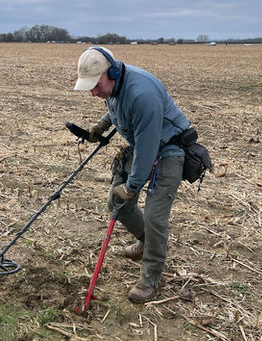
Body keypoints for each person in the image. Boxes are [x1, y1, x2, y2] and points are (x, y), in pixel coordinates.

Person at [73, 46, 190, 303]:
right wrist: (103, 123)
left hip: (169, 149)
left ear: (111, 72)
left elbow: (148, 150)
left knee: (154, 216)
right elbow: (115, 103)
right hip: (143, 145)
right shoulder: (115, 84)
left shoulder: (142, 94)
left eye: (95, 85)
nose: (93, 92)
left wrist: (132, 186)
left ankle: (150, 278)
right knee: (116, 205)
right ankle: (147, 242)